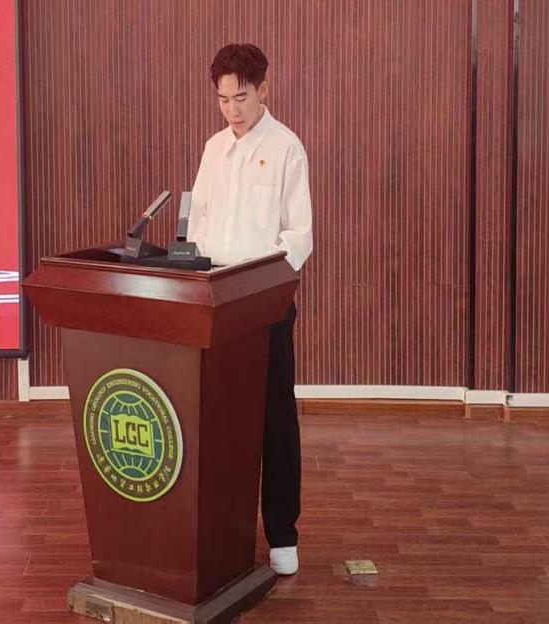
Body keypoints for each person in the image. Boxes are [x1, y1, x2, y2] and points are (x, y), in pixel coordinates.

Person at [188, 43, 313, 576]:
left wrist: (260, 286)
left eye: (241, 98)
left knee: (274, 420)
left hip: (262, 304)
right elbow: (198, 222)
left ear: (264, 90)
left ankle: (282, 534)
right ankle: (221, 529)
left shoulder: (286, 148)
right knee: (216, 419)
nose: (232, 110)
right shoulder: (214, 149)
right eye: (223, 100)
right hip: (213, 300)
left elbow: (299, 235)